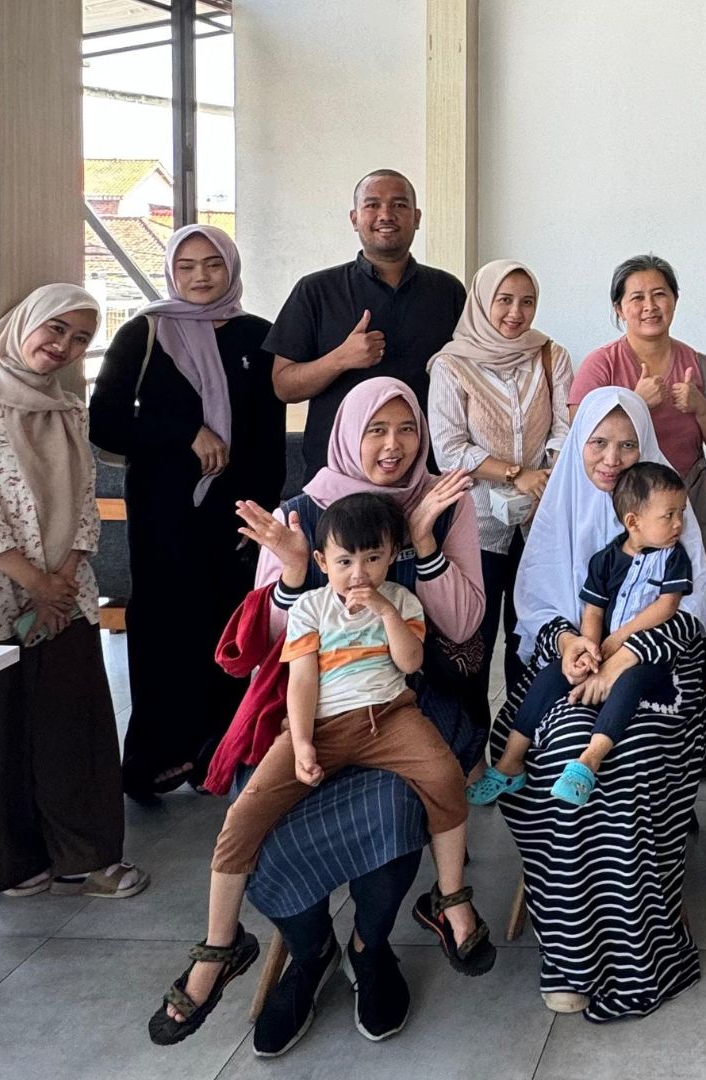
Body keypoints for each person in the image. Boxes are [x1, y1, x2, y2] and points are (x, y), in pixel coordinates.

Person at [149, 493, 492, 1046]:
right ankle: (219, 946)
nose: (360, 573)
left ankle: (449, 898)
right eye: (345, 561)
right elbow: (302, 681)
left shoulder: (401, 600)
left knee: (446, 779)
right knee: (242, 820)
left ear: (392, 556)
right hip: (322, 726)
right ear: (323, 560)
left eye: (373, 559)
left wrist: (385, 611)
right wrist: (303, 742)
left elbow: (410, 663)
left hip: (390, 717)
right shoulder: (309, 608)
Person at [226, 376, 484, 1054]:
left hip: (402, 702)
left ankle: (371, 945)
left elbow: (462, 627)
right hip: (305, 708)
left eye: (407, 429)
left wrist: (423, 542)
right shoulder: (299, 514)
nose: (393, 446)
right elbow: (264, 648)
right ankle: (310, 949)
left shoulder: (444, 502)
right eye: (376, 430)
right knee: (256, 816)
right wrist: (291, 575)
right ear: (347, 433)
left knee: (394, 804)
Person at [0, 284, 149, 899]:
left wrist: (62, 580)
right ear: (24, 324)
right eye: (56, 329)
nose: (64, 345)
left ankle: (89, 858)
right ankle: (13, 864)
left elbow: (84, 502)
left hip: (67, 592)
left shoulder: (68, 410)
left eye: (80, 339)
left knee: (74, 724)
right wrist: (36, 584)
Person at [495, 385, 706, 1021]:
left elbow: (691, 613)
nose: (612, 458)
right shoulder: (559, 509)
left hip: (657, 681)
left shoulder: (668, 515)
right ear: (578, 446)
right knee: (558, 751)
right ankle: (571, 955)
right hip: (568, 673)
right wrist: (571, 646)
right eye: (598, 443)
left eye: (626, 445)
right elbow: (537, 609)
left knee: (620, 765)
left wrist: (624, 655)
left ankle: (638, 959)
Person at [90, 223, 285, 800]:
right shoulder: (144, 333)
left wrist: (262, 517)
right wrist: (185, 431)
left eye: (213, 264)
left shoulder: (259, 335)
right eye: (187, 266)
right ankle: (153, 758)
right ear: (171, 272)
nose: (201, 276)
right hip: (164, 515)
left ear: (231, 268)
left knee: (228, 632)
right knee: (163, 630)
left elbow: (268, 436)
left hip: (235, 514)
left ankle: (216, 756)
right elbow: (105, 423)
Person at [472, 463, 692, 805]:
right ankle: (510, 761)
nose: (679, 524)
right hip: (604, 649)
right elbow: (593, 610)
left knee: (631, 682)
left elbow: (667, 606)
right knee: (550, 675)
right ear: (633, 522)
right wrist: (589, 648)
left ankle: (589, 761)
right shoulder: (605, 560)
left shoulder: (673, 558)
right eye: (669, 515)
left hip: (647, 658)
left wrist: (620, 639)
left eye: (681, 513)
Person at [426, 258, 572, 708]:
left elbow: (565, 428)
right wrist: (515, 473)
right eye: (504, 300)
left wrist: (547, 475)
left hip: (539, 522)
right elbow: (449, 449)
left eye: (527, 302)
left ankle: (523, 739)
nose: (516, 312)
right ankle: (473, 744)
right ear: (482, 301)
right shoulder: (452, 364)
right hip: (476, 525)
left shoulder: (550, 355)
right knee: (474, 641)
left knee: (532, 638)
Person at [264, 169, 465, 482]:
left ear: (416, 217)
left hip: (427, 473)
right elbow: (284, 386)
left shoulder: (447, 290)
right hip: (338, 477)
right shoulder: (316, 290)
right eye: (372, 205)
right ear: (354, 218)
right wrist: (340, 359)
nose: (386, 214)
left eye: (399, 205)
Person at [571, 254, 706, 589]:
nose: (650, 306)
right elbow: (581, 441)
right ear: (619, 308)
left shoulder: (700, 365)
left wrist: (700, 406)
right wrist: (636, 403)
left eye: (659, 294)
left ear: (675, 299)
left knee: (695, 592)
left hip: (688, 504)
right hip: (621, 509)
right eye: (637, 297)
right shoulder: (600, 365)